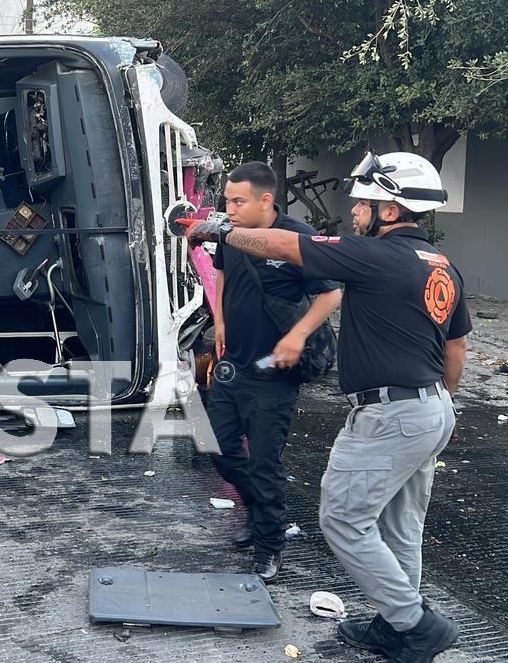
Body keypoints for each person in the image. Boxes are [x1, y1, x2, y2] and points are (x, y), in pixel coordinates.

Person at [180, 151, 470, 663]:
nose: (354, 209)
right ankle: (396, 626)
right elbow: (456, 348)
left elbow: (287, 245)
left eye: (364, 201)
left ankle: (416, 624)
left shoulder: (374, 255)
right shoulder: (440, 265)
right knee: (400, 526)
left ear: (390, 210)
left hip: (391, 415)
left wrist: (216, 230)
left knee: (343, 520)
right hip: (430, 408)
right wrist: (435, 403)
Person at [205, 161, 342, 584]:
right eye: (227, 200)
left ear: (266, 200)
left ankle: (269, 545)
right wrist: (221, 319)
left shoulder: (298, 237)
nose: (229, 208)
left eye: (238, 201)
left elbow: (331, 294)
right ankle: (260, 511)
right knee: (217, 448)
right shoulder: (231, 233)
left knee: (265, 464)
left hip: (274, 372)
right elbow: (224, 274)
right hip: (234, 364)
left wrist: (298, 336)